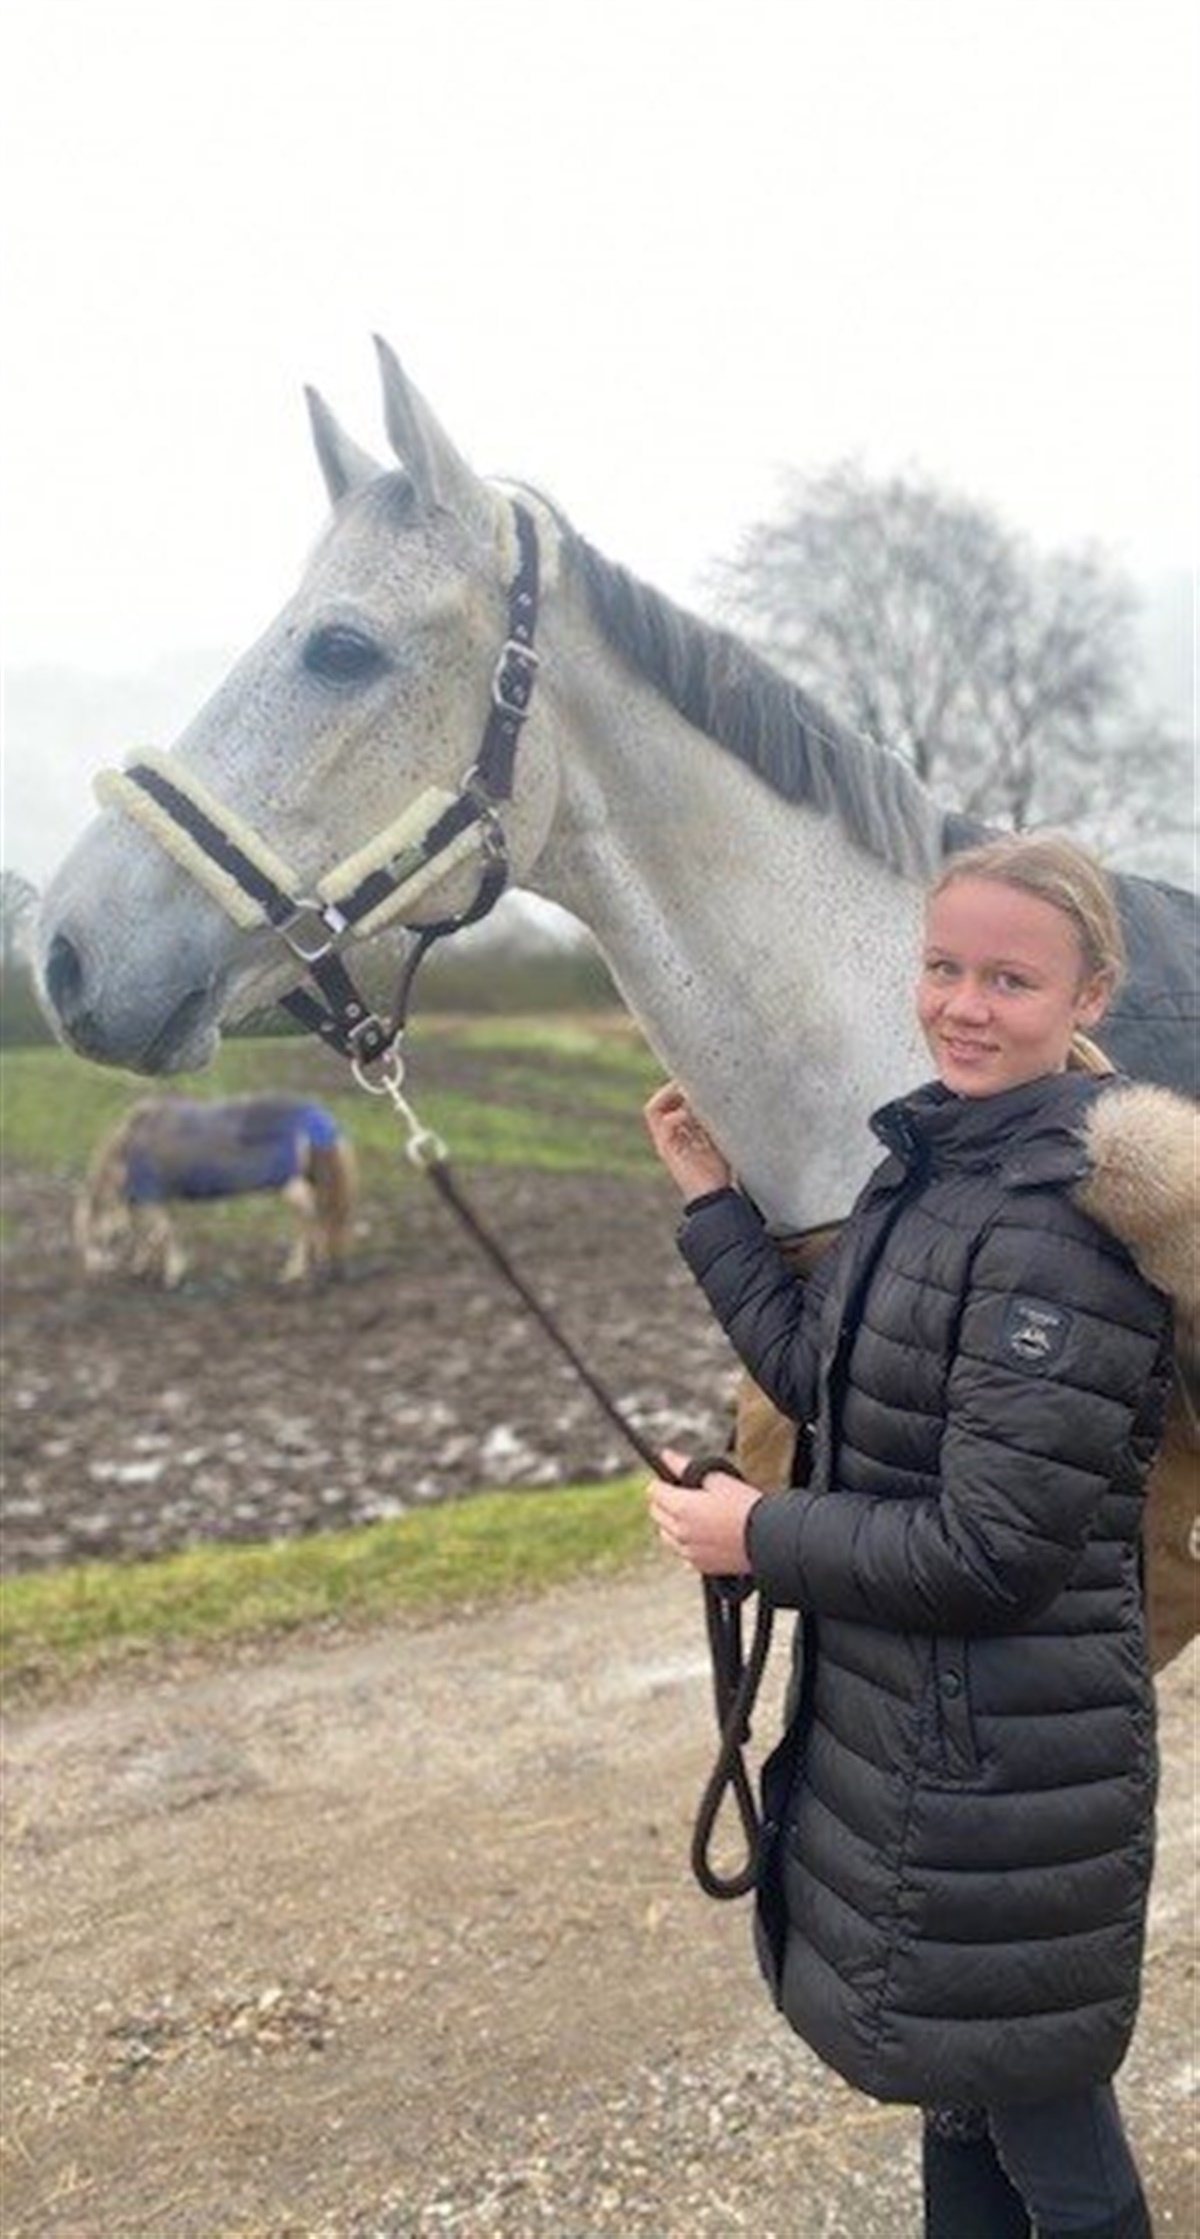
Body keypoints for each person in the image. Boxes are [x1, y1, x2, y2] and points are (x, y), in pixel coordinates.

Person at [644, 833, 1174, 2239]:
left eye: (1010, 980)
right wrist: (712, 1203)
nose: (963, 1007)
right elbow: (819, 1379)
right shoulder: (928, 1165)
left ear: (1089, 998)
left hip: (1006, 1769)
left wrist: (759, 1534)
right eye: (944, 968)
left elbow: (992, 1551)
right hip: (924, 1742)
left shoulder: (1063, 1224)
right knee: (962, 2095)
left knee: (1050, 2131)